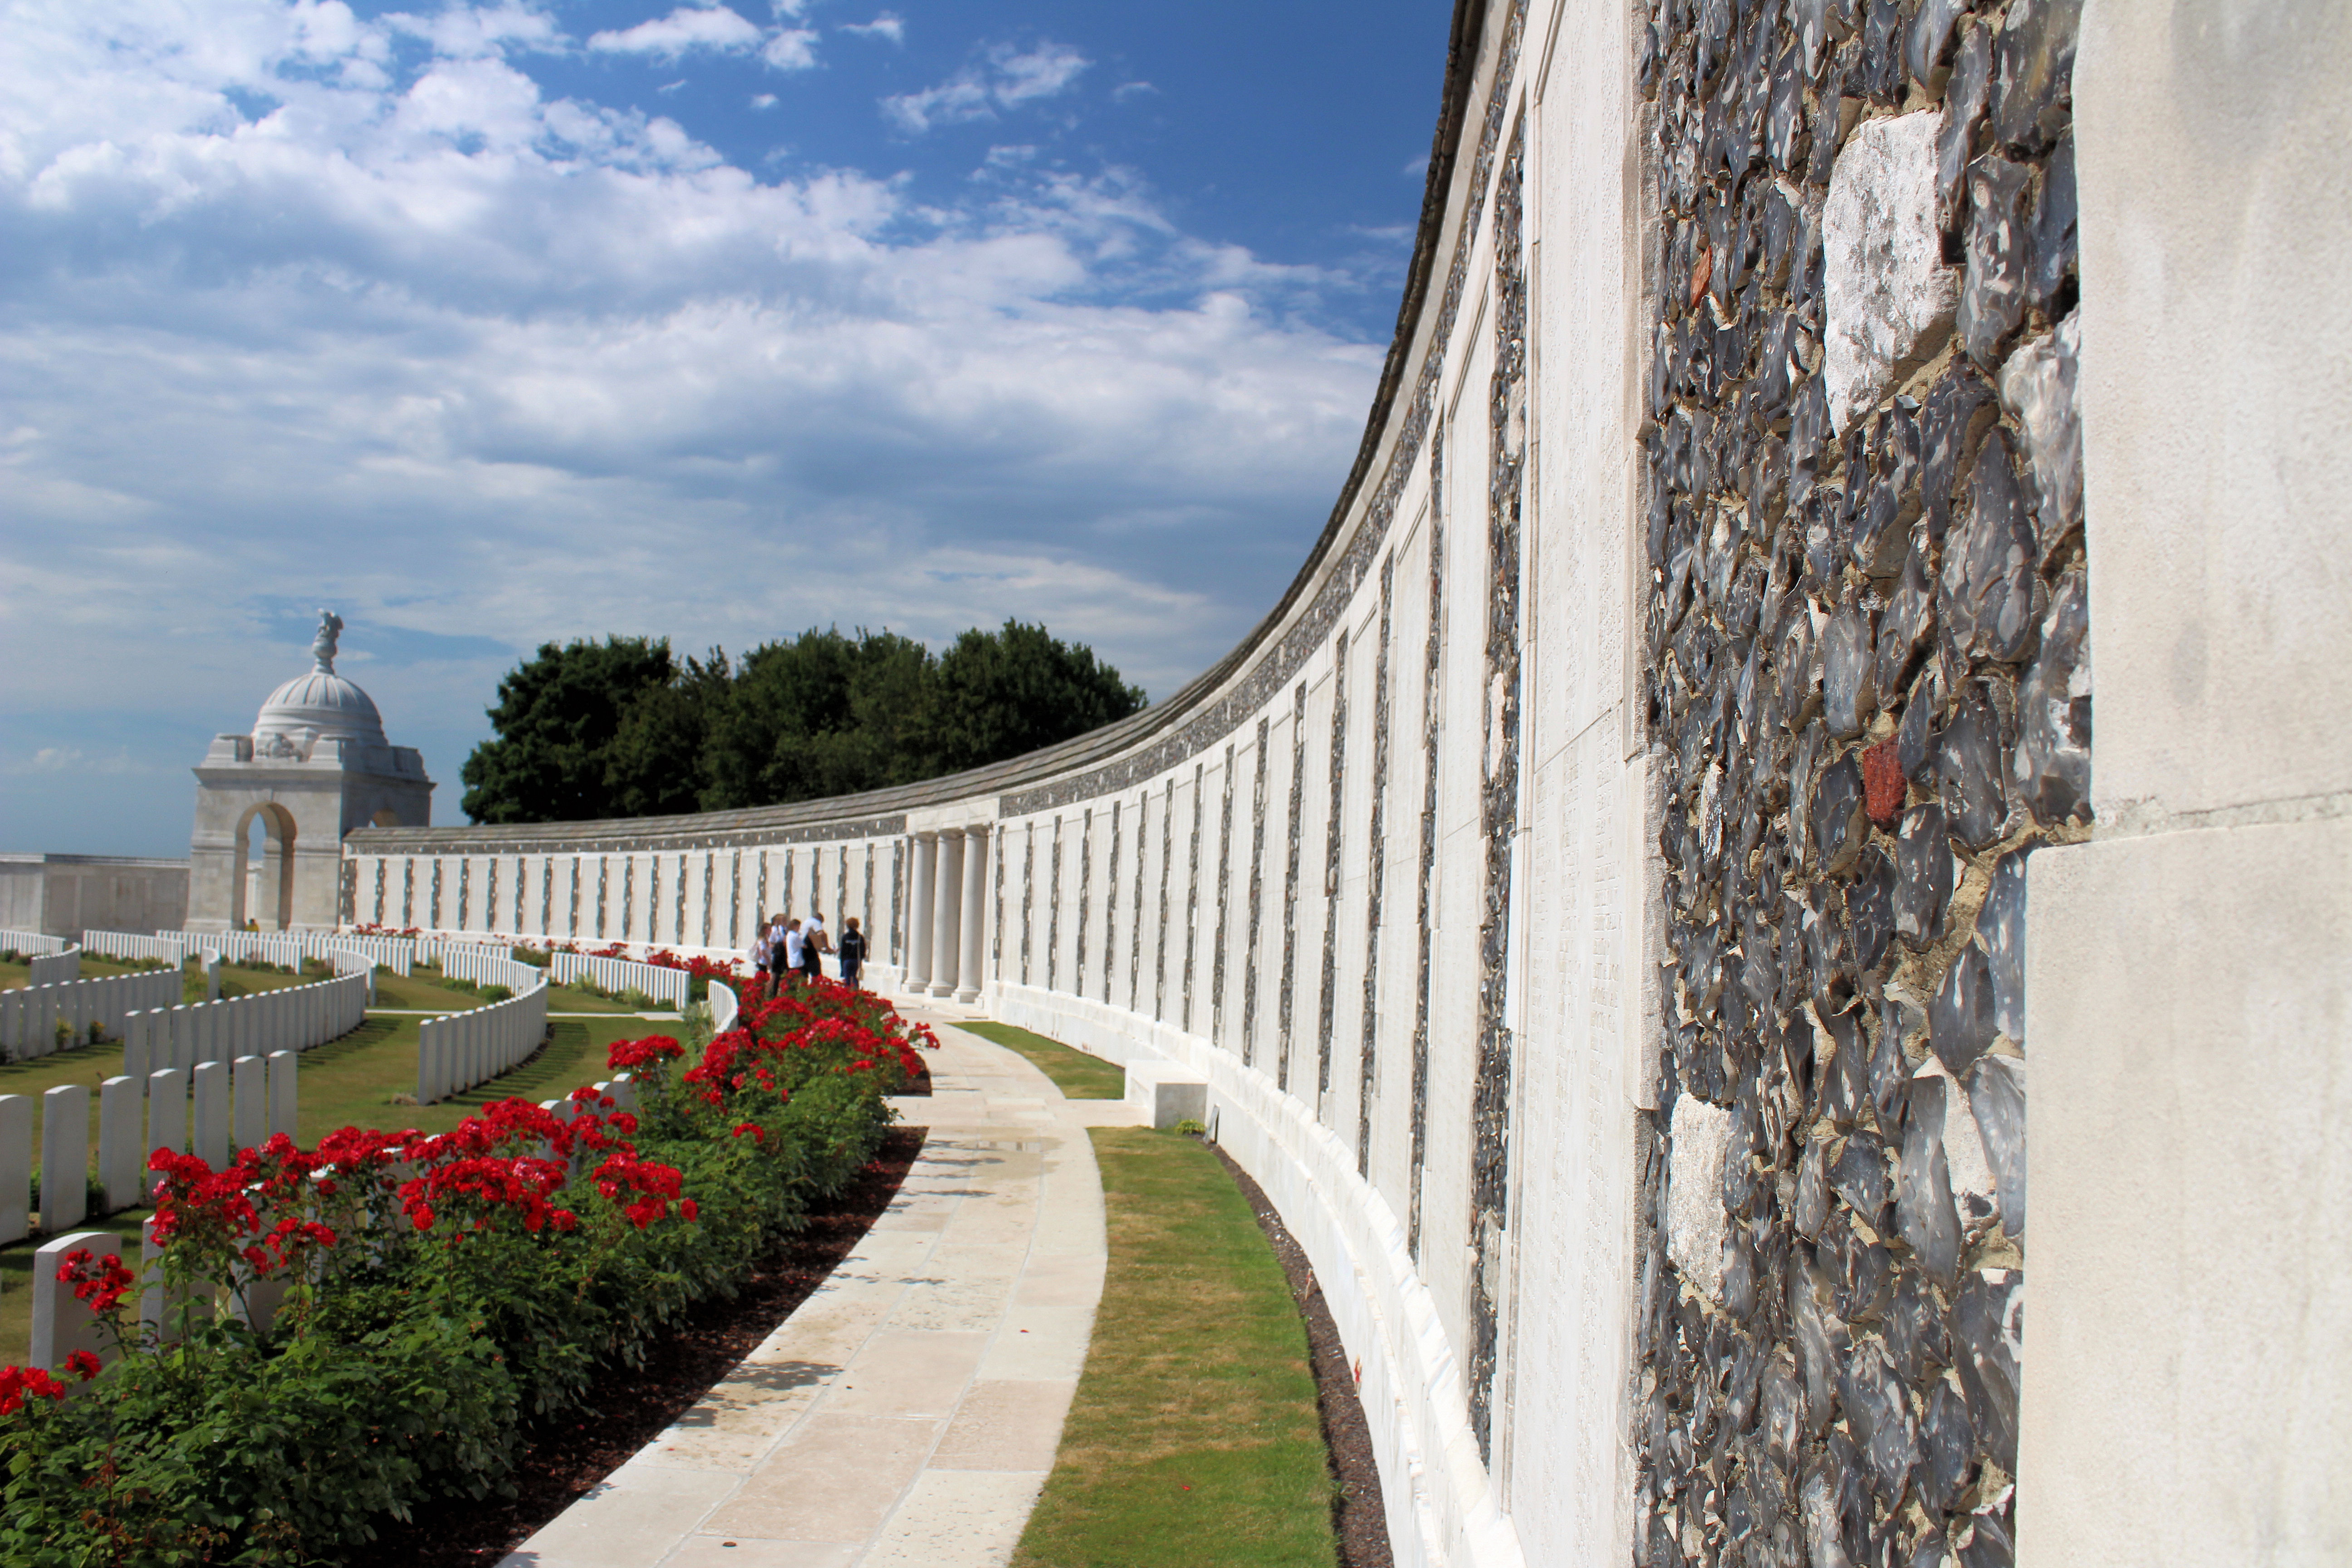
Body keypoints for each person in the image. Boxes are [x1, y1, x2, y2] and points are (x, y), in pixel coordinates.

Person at [768, 913, 795, 997]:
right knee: (776, 975)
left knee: (786, 973)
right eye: (783, 920)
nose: (785, 922)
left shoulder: (786, 929)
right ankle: (772, 993)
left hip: (785, 953)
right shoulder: (776, 930)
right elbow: (771, 942)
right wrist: (777, 946)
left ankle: (784, 992)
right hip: (778, 953)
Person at [836, 916, 866, 990]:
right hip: (856, 960)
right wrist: (860, 959)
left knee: (847, 979)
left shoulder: (845, 937)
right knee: (855, 977)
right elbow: (863, 950)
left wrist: (842, 965)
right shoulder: (860, 937)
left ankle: (847, 993)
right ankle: (856, 992)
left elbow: (842, 952)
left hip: (847, 960)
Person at [801, 911, 828, 985]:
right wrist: (827, 947)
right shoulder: (816, 922)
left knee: (804, 974)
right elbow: (822, 933)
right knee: (817, 974)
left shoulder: (806, 922)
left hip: (802, 950)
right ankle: (814, 990)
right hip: (809, 950)